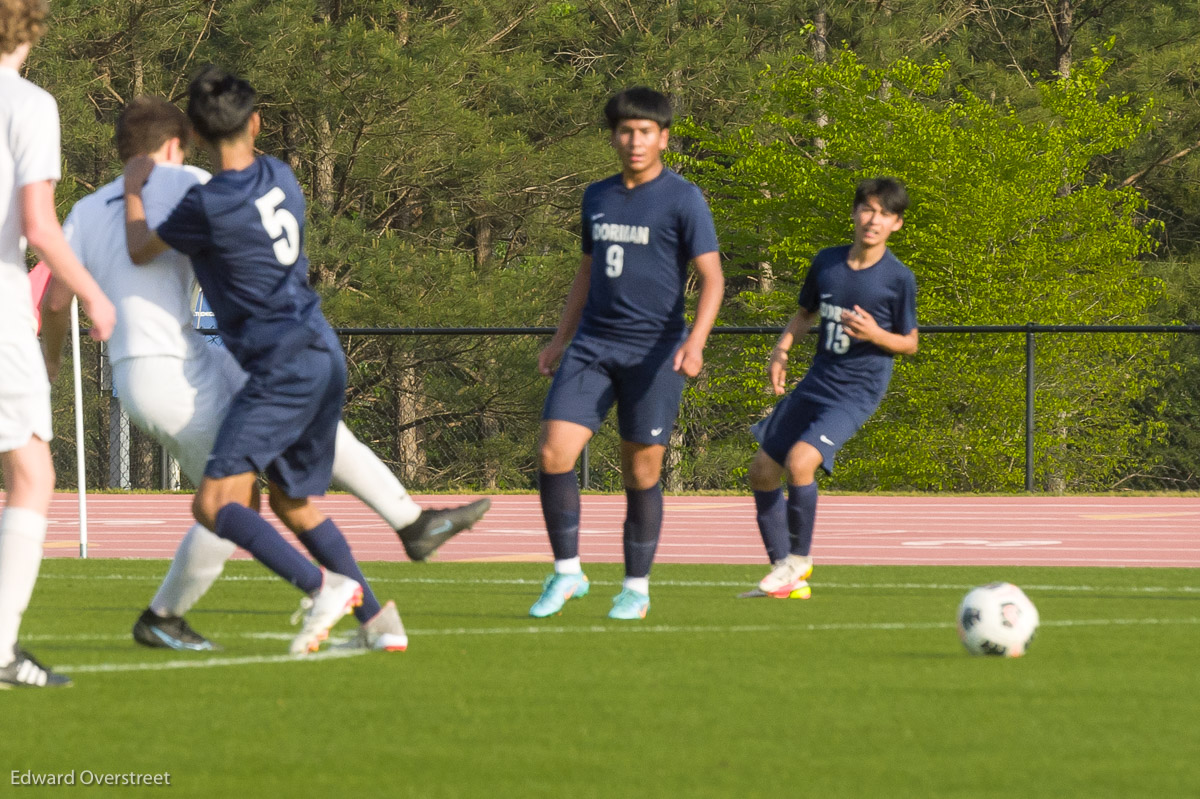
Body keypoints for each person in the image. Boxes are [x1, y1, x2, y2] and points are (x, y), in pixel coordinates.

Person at [42, 96, 488, 653]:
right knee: (230, 503)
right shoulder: (191, 183)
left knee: (270, 486)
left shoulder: (84, 212)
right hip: (183, 372)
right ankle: (330, 583)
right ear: (177, 144)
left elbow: (57, 300)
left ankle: (377, 614)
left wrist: (53, 361)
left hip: (164, 369)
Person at [118, 66, 402, 656]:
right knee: (293, 502)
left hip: (279, 367)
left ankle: (328, 586)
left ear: (194, 133)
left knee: (218, 502)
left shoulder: (209, 204)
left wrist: (138, 188)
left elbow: (141, 249)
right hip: (322, 349)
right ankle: (379, 623)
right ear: (257, 122)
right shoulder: (280, 174)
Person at [530, 87, 724, 620]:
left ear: (662, 138)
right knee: (553, 454)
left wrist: (696, 342)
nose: (634, 141)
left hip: (655, 353)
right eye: (624, 131)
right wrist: (559, 338)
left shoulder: (684, 198)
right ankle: (567, 573)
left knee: (640, 473)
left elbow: (712, 279)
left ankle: (635, 587)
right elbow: (587, 273)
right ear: (613, 136)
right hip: (593, 345)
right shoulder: (597, 196)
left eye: (645, 132)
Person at [0, 0, 116, 688]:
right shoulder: (29, 103)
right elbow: (41, 226)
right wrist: (92, 293)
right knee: (31, 473)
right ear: (33, 28)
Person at [746, 177, 918, 599]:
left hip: (857, 391)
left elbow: (909, 343)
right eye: (867, 209)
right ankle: (785, 574)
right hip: (816, 383)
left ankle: (800, 561)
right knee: (762, 472)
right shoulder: (827, 263)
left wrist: (877, 334)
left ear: (896, 223)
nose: (872, 220)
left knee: (801, 462)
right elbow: (804, 314)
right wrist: (781, 350)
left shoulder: (898, 278)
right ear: (855, 212)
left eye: (884, 214)